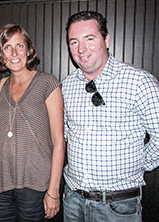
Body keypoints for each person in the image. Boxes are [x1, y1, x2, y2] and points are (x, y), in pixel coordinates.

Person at [62, 10, 159, 222]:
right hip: (72, 201)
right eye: (74, 42)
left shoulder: (139, 82)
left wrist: (139, 163)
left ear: (106, 40)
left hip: (118, 206)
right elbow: (66, 133)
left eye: (89, 39)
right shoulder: (66, 86)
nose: (81, 49)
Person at [0, 23, 65, 221]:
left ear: (28, 50)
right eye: (7, 47)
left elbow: (59, 141)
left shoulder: (47, 83)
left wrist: (53, 190)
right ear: (1, 54)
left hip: (35, 183)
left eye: (19, 46)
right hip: (0, 182)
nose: (14, 52)